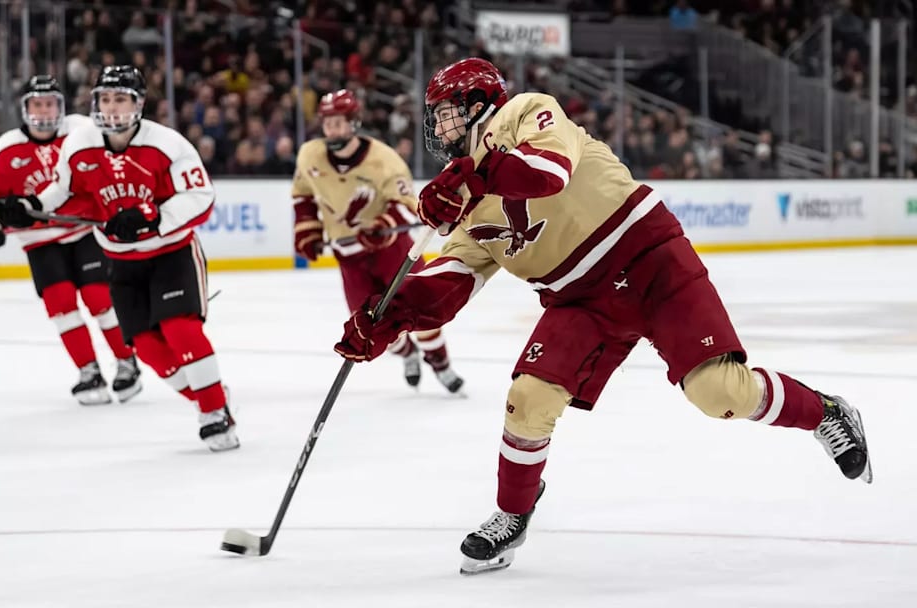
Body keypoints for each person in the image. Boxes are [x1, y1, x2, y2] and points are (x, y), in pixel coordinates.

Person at [334, 58, 873, 574]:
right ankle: (513, 514)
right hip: (580, 300)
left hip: (648, 258)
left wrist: (475, 177)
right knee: (530, 399)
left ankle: (826, 413)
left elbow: (547, 174)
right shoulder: (463, 202)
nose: (438, 125)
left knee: (720, 393)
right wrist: (387, 315)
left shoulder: (525, 112)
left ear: (479, 104)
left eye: (446, 111)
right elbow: (451, 281)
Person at [0, 66, 238, 452]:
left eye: (120, 98)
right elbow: (62, 189)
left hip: (172, 254)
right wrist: (30, 207)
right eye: (105, 98)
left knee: (180, 330)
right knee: (150, 349)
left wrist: (153, 217)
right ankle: (211, 399)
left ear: (139, 103)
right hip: (121, 263)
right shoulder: (79, 143)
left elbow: (201, 198)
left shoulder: (168, 144)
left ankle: (214, 414)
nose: (111, 106)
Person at [0, 75, 142, 405]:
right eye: (37, 103)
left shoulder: (81, 132)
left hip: (84, 231)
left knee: (99, 298)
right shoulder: (4, 150)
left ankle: (126, 360)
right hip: (40, 241)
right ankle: (88, 370)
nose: (44, 109)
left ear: (61, 106)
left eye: (50, 102)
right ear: (25, 108)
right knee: (61, 303)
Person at [293, 89, 464, 393]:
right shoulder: (310, 154)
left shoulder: (384, 159)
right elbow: (303, 193)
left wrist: (382, 225)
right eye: (327, 122)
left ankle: (439, 362)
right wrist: (307, 229)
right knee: (366, 324)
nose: (332, 129)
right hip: (348, 257)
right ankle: (407, 353)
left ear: (354, 122)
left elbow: (404, 202)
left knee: (419, 310)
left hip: (391, 251)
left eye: (339, 122)